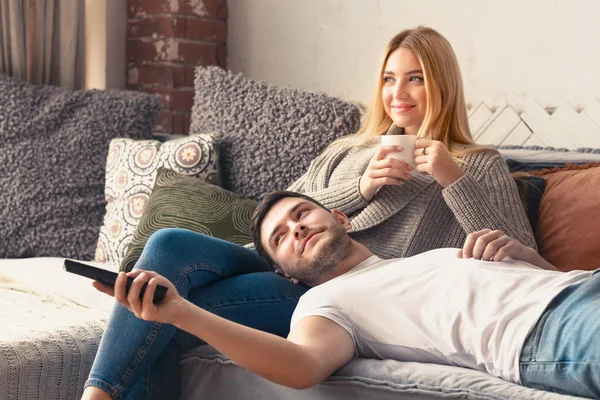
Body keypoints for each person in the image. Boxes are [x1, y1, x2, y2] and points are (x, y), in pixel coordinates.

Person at [82, 26, 539, 400]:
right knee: (167, 245)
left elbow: (518, 257)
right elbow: (273, 215)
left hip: (340, 289)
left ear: (442, 84)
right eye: (389, 78)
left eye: (415, 78)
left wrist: (452, 179)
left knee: (165, 310)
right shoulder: (349, 150)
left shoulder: (477, 162)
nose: (398, 92)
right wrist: (360, 187)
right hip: (282, 263)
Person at [92, 191, 598, 399]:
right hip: (547, 332)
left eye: (301, 215)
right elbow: (301, 366)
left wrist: (528, 258)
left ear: (339, 217)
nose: (295, 229)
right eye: (279, 238)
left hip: (580, 286)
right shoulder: (323, 304)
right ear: (284, 276)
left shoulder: (427, 256)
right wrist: (181, 314)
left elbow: (558, 277)